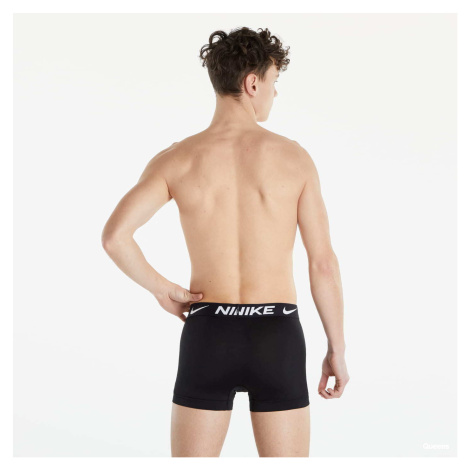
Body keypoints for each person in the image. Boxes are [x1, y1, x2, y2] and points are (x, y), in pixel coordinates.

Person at [101, 26, 349, 458]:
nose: (274, 93)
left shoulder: (177, 158)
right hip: (277, 334)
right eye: (273, 81)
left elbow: (115, 238)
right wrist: (336, 349)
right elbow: (322, 263)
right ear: (252, 83)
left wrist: (164, 290)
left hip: (209, 332)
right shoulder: (294, 158)